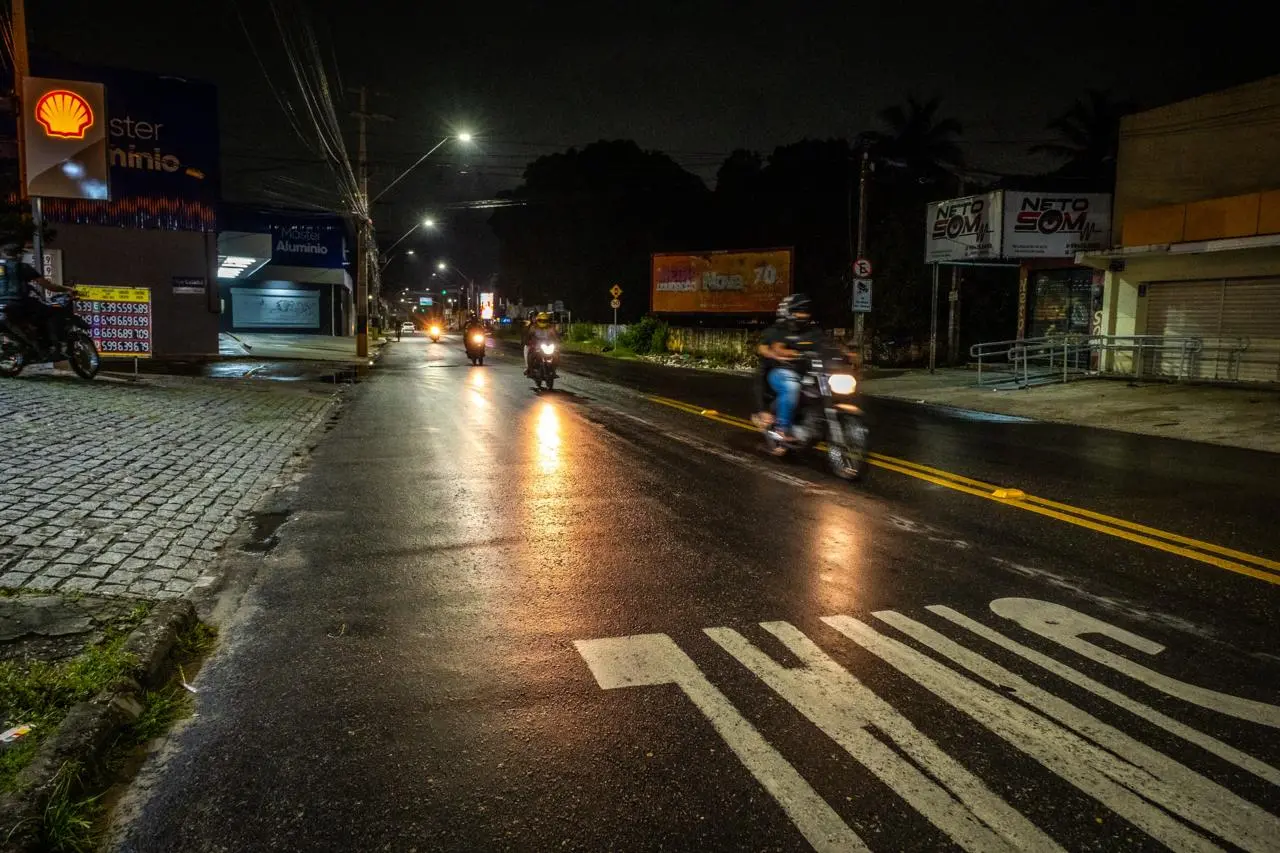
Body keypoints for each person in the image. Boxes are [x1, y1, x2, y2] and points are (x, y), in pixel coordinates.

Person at [754, 293, 816, 441]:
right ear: (788, 312)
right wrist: (788, 354)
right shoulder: (777, 331)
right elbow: (768, 349)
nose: (803, 314)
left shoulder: (810, 332)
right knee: (791, 386)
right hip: (780, 372)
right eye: (799, 310)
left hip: (805, 372)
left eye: (805, 310)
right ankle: (782, 429)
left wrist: (845, 354)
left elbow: (826, 345)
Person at [0, 243, 73, 354]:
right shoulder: (23, 267)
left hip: (2, 305)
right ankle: (52, 345)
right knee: (51, 311)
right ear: (19, 254)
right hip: (19, 303)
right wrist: (68, 289)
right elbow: (49, 286)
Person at [524, 312, 560, 376]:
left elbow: (555, 337)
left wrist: (557, 342)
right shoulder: (533, 327)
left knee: (556, 355)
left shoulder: (550, 328)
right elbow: (528, 336)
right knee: (531, 355)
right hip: (536, 346)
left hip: (548, 345)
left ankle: (553, 370)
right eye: (541, 320)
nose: (543, 322)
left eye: (545, 320)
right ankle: (530, 369)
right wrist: (528, 341)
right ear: (537, 320)